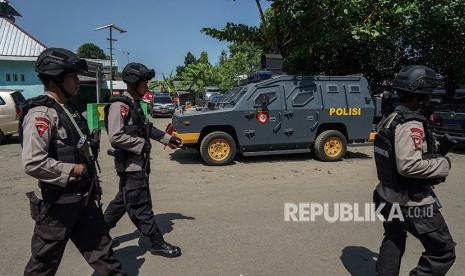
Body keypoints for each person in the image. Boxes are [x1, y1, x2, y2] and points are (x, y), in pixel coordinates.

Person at [20, 48, 125, 275]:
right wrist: (75, 170)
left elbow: (84, 153)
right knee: (42, 266)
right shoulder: (41, 114)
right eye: (73, 77)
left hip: (83, 201)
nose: (77, 82)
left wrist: (93, 185)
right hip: (56, 207)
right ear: (56, 79)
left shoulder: (67, 111)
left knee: (106, 257)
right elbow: (33, 162)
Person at [373, 65, 456, 275]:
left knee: (393, 238)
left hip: (385, 195)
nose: (430, 99)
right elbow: (409, 165)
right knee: (443, 251)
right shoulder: (411, 124)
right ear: (420, 96)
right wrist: (443, 164)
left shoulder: (391, 117)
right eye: (428, 94)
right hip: (411, 203)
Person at [104, 62, 184, 258]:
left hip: (138, 165)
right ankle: (157, 243)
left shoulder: (135, 105)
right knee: (141, 206)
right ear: (133, 83)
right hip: (131, 166)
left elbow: (148, 129)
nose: (147, 88)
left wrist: (169, 139)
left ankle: (98, 236)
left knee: (122, 201)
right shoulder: (119, 106)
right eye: (144, 83)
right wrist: (142, 144)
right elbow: (115, 136)